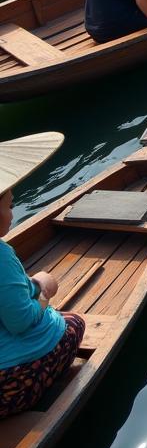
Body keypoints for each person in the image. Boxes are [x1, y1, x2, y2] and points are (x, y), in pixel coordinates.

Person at [0, 141, 86, 421]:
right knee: (74, 322)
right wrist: (44, 291)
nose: (12, 212)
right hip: (10, 385)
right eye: (9, 205)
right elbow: (21, 321)